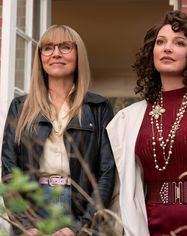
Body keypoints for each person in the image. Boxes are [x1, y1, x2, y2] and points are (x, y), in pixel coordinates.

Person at [106, 10, 187, 236]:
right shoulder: (130, 118)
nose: (167, 48)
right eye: (161, 42)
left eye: (179, 43)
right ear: (151, 52)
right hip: (151, 227)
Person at [1, 25, 115, 235]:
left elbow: (106, 173)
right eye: (48, 48)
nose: (56, 54)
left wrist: (80, 226)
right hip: (34, 205)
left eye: (65, 47)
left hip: (80, 207)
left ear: (78, 54)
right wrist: (25, 224)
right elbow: (9, 169)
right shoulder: (20, 107)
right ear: (41, 56)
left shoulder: (99, 108)